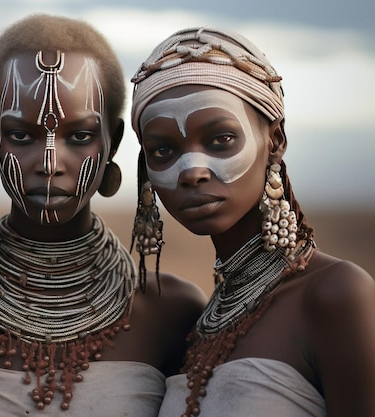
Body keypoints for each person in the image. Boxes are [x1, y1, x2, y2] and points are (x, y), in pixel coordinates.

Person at [0, 14, 206, 416]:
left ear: (115, 141)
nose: (50, 163)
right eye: (21, 135)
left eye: (80, 136)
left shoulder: (172, 311)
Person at [130, 27, 375, 417]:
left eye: (220, 139)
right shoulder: (201, 322)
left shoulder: (336, 295)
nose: (191, 171)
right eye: (163, 149)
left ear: (275, 140)